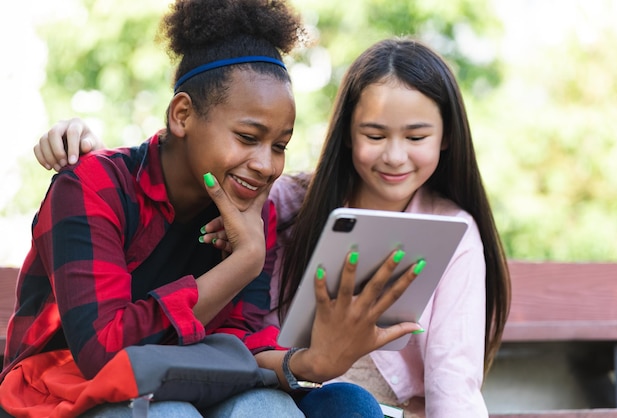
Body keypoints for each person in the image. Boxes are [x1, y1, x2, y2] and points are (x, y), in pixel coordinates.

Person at [33, 37, 512, 417]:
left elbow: (247, 338)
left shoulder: (255, 202)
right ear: (348, 134)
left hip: (241, 382)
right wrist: (244, 263)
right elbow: (103, 347)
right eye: (374, 134)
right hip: (80, 383)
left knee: (289, 408)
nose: (264, 165)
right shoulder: (282, 203)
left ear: (447, 138)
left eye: (280, 145)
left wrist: (308, 362)